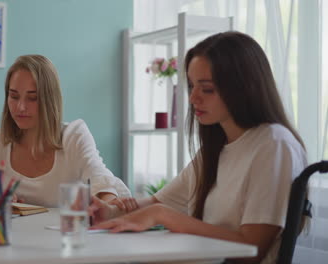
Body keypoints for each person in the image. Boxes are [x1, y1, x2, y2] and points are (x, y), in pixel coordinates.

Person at [89, 31, 307, 264]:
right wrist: (110, 212)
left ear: (244, 87)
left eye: (207, 89)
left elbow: (251, 249)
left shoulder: (274, 145)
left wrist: (161, 216)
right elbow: (159, 203)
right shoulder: (218, 148)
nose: (193, 99)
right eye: (192, 86)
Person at [0, 54, 131, 208]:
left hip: (66, 231)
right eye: (14, 96)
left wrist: (108, 206)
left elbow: (100, 180)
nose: (20, 107)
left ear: (49, 99)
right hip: (16, 232)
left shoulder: (74, 136)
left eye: (32, 98)